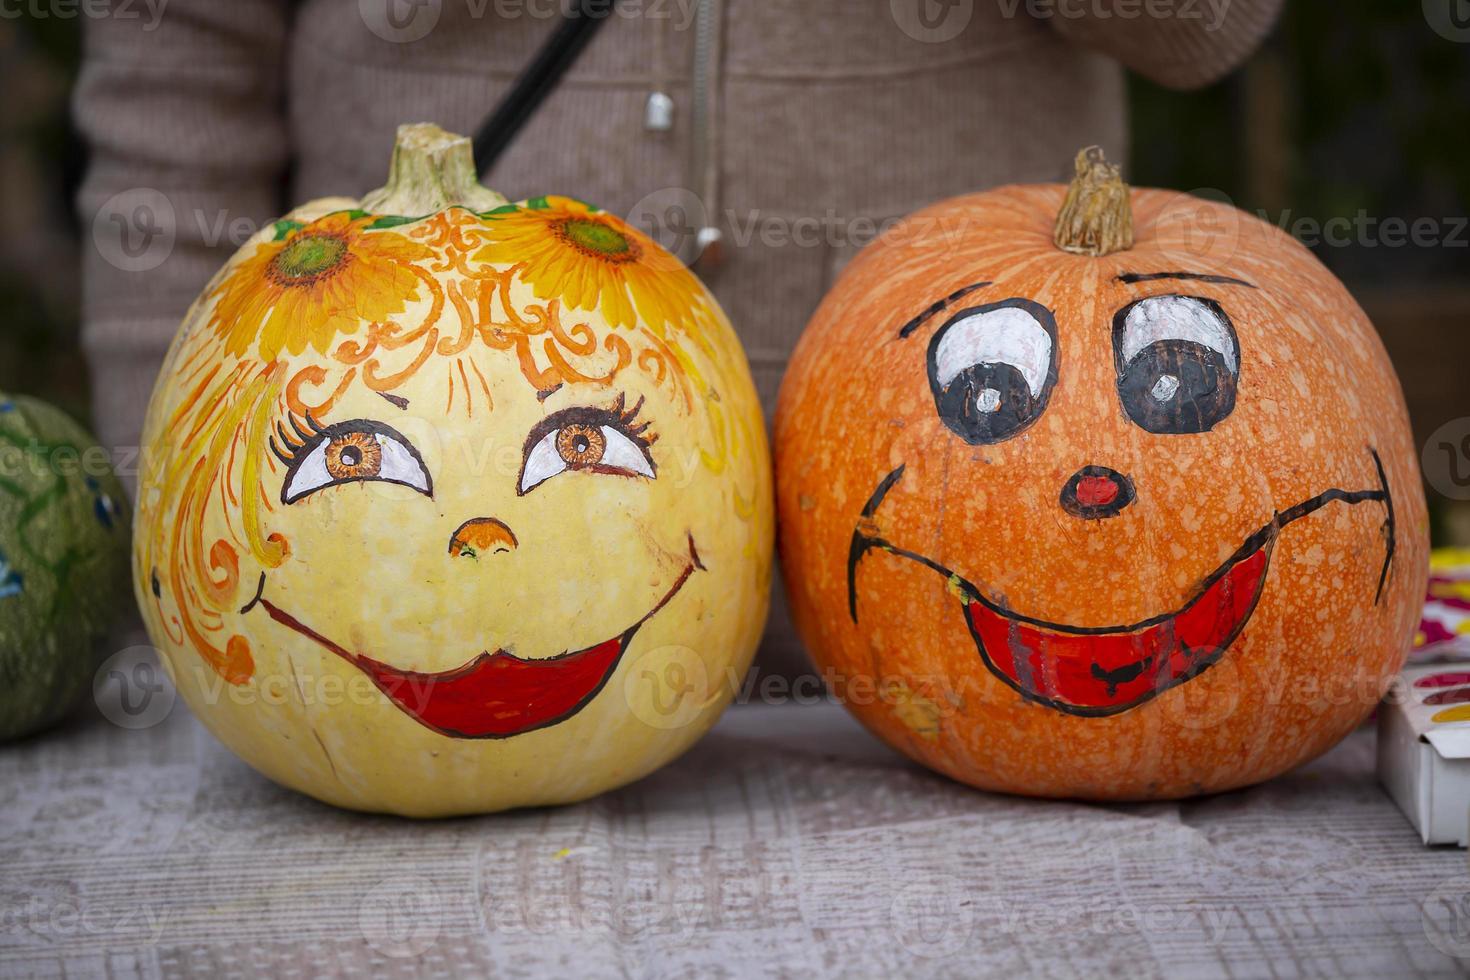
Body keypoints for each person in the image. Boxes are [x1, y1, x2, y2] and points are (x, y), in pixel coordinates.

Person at [76, 0, 1282, 676]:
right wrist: (181, 547)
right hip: (381, 605)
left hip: (991, 601)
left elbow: (1202, 26)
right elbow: (174, 65)